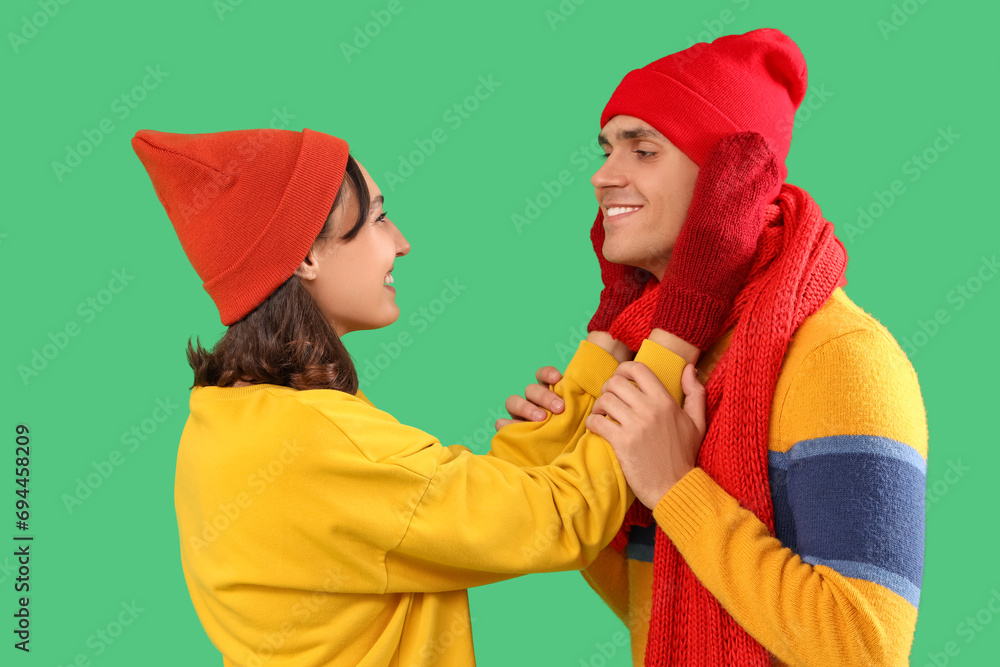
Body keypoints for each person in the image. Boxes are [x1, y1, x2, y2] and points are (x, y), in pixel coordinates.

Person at [128, 124, 763, 665]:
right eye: (377, 217)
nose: (400, 240)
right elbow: (558, 521)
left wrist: (603, 345)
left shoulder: (230, 422)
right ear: (304, 258)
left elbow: (462, 515)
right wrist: (680, 320)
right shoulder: (319, 442)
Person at [501, 27, 927, 667]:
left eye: (643, 151)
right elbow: (659, 608)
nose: (601, 176)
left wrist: (676, 485)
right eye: (607, 148)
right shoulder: (675, 356)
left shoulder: (840, 356)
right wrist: (580, 455)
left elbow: (863, 648)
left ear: (729, 182)